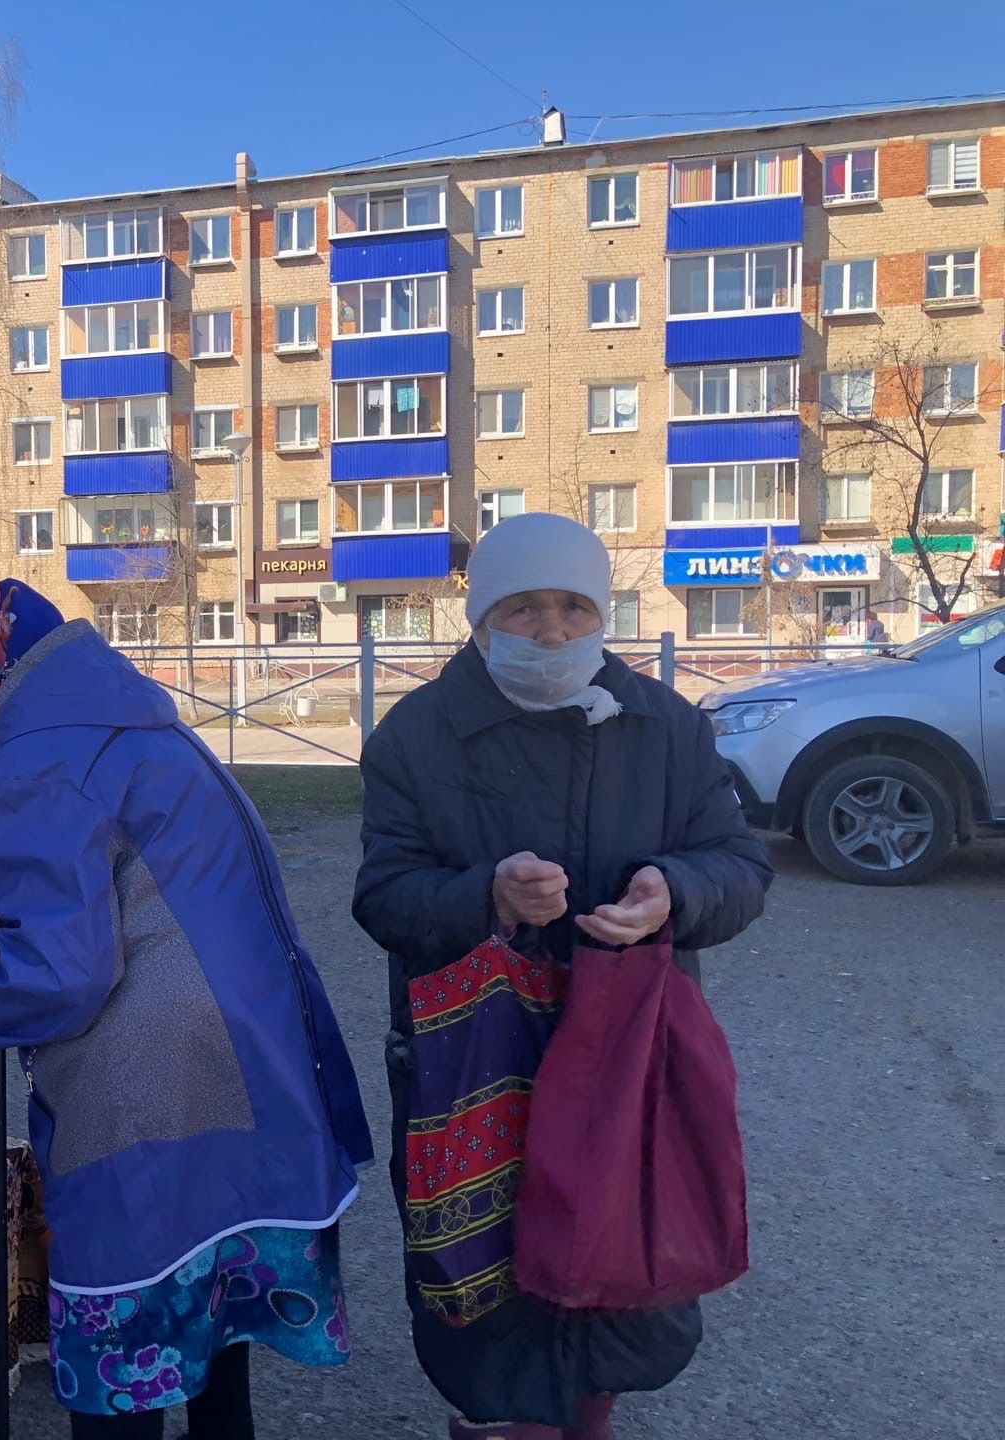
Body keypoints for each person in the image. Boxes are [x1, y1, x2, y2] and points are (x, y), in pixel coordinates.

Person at [0, 580, 373, 1440]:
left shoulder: (34, 763)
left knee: (119, 1387)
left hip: (143, 1095)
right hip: (248, 1065)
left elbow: (63, 972)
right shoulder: (131, 728)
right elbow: (134, 884)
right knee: (218, 1359)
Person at [352, 512, 772, 1440]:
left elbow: (742, 868)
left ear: (604, 613)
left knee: (613, 1240)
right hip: (472, 1057)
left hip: (623, 1048)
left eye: (574, 607)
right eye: (523, 608)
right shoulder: (417, 734)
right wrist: (488, 898)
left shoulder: (665, 726)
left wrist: (678, 892)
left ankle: (590, 1417)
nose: (550, 630)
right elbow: (383, 897)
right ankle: (495, 1423)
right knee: (484, 1269)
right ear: (478, 617)